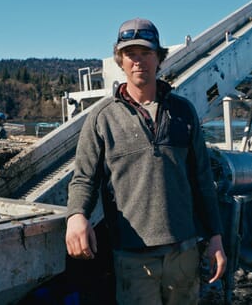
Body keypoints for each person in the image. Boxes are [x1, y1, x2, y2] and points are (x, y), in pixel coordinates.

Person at [65, 18, 227, 304]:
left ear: (159, 58)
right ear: (121, 61)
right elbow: (84, 178)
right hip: (132, 257)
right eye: (131, 54)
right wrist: (77, 215)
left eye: (146, 53)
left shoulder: (183, 112)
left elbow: (203, 179)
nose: (138, 61)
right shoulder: (102, 118)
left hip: (184, 252)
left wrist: (215, 237)